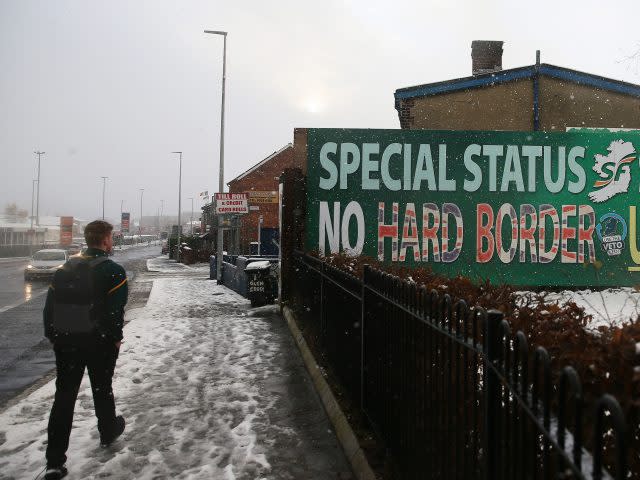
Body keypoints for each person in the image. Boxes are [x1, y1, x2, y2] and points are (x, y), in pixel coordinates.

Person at [43, 220, 128, 480]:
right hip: (98, 342)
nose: (112, 242)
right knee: (102, 389)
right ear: (104, 240)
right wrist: (114, 339)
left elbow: (49, 309)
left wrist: (55, 338)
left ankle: (55, 461)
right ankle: (107, 431)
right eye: (111, 238)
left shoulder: (64, 269)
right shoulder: (112, 271)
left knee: (64, 397)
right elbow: (115, 313)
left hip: (67, 342)